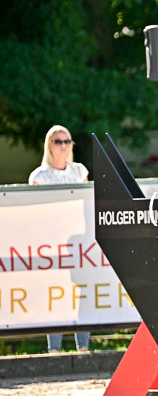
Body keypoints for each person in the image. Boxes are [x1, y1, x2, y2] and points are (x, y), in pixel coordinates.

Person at [28, 125, 91, 353]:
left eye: (67, 141)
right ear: (50, 146)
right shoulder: (39, 176)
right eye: (58, 141)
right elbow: (35, 212)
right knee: (55, 293)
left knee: (82, 291)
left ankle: (83, 347)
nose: (64, 146)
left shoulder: (80, 171)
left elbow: (86, 205)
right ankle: (53, 349)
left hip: (78, 242)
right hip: (51, 242)